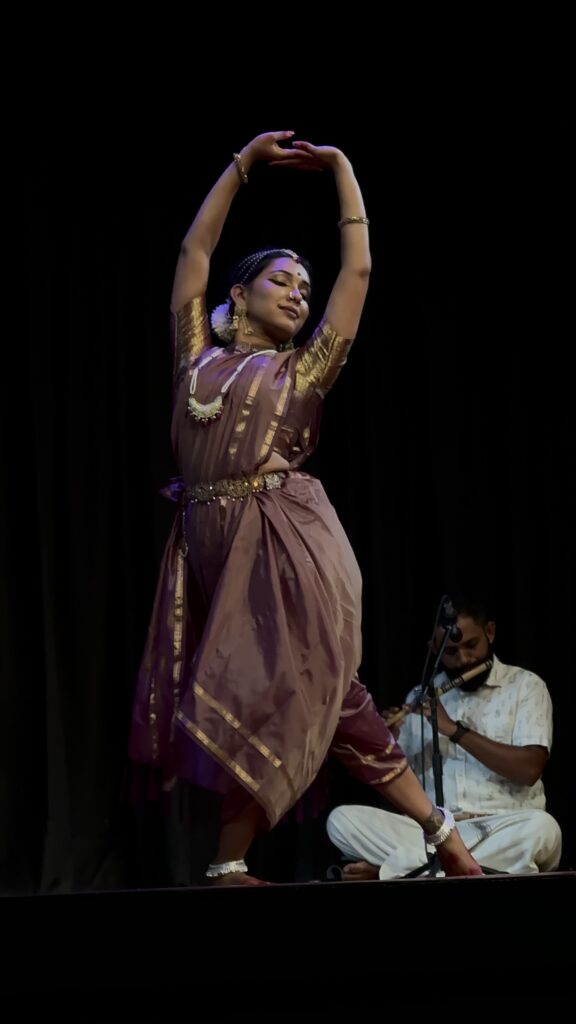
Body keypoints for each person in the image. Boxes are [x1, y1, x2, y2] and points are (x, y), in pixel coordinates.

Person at [128, 131, 483, 885]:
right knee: (323, 698)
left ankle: (230, 861)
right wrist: (239, 167)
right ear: (238, 293)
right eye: (283, 281)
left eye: (304, 288)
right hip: (207, 544)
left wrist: (344, 171)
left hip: (283, 540)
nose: (299, 293)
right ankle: (442, 835)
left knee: (297, 689)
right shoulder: (195, 355)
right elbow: (193, 254)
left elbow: (359, 269)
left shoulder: (305, 370)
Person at [327, 593, 562, 878]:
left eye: (471, 645)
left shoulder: (526, 686)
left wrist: (453, 729)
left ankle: (399, 871)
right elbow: (398, 794)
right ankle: (464, 868)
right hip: (435, 833)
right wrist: (386, 741)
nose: (463, 658)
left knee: (544, 830)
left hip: (501, 826)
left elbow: (529, 769)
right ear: (434, 647)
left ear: (490, 632)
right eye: (450, 651)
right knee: (340, 821)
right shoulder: (419, 698)